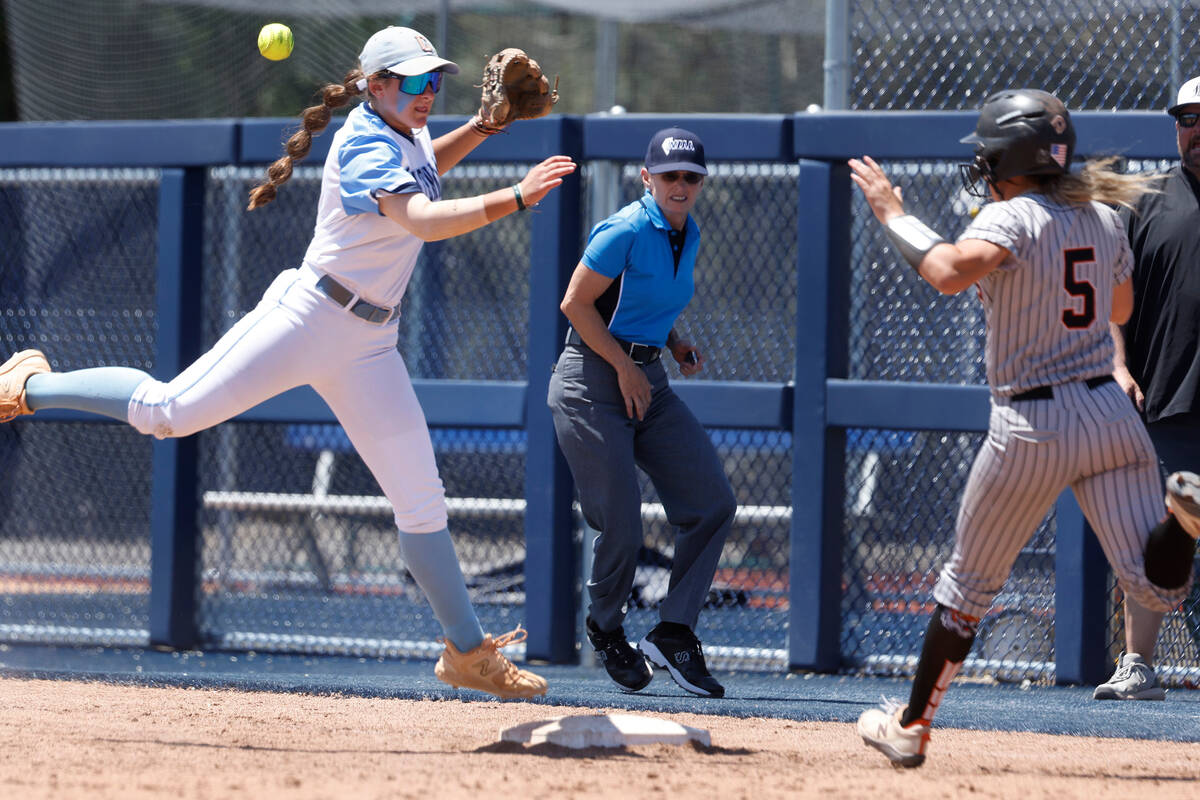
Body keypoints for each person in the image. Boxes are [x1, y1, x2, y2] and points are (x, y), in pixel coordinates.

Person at [0, 25, 576, 700]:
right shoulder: (364, 138)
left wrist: (481, 127)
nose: (428, 94)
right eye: (416, 81)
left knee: (421, 502)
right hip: (309, 318)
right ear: (376, 84)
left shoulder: (404, 130)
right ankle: (30, 384)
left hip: (369, 345)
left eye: (435, 81)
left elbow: (426, 166)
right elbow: (420, 217)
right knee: (167, 413)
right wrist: (514, 197)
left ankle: (467, 651)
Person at [847, 88, 1199, 767]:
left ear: (1009, 156)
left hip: (1032, 420)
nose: (982, 167)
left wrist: (894, 213)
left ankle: (912, 727)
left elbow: (947, 273)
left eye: (989, 156)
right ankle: (1179, 525)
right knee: (1157, 586)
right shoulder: (1100, 213)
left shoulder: (1011, 218)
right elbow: (1118, 300)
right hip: (1107, 412)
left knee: (967, 588)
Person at [547, 127, 735, 698]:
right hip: (590, 382)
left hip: (646, 377)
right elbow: (576, 304)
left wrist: (673, 343)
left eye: (691, 177)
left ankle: (675, 631)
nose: (681, 185)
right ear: (646, 177)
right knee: (623, 522)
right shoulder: (625, 228)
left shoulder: (690, 232)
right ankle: (606, 631)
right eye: (670, 175)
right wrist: (624, 367)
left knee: (712, 502)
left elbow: (645, 301)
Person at [1106, 74, 1200, 690]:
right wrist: (1116, 364)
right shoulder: (1144, 201)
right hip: (1169, 402)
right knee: (1161, 534)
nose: (1197, 131)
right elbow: (1111, 300)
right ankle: (1137, 662)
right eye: (1187, 119)